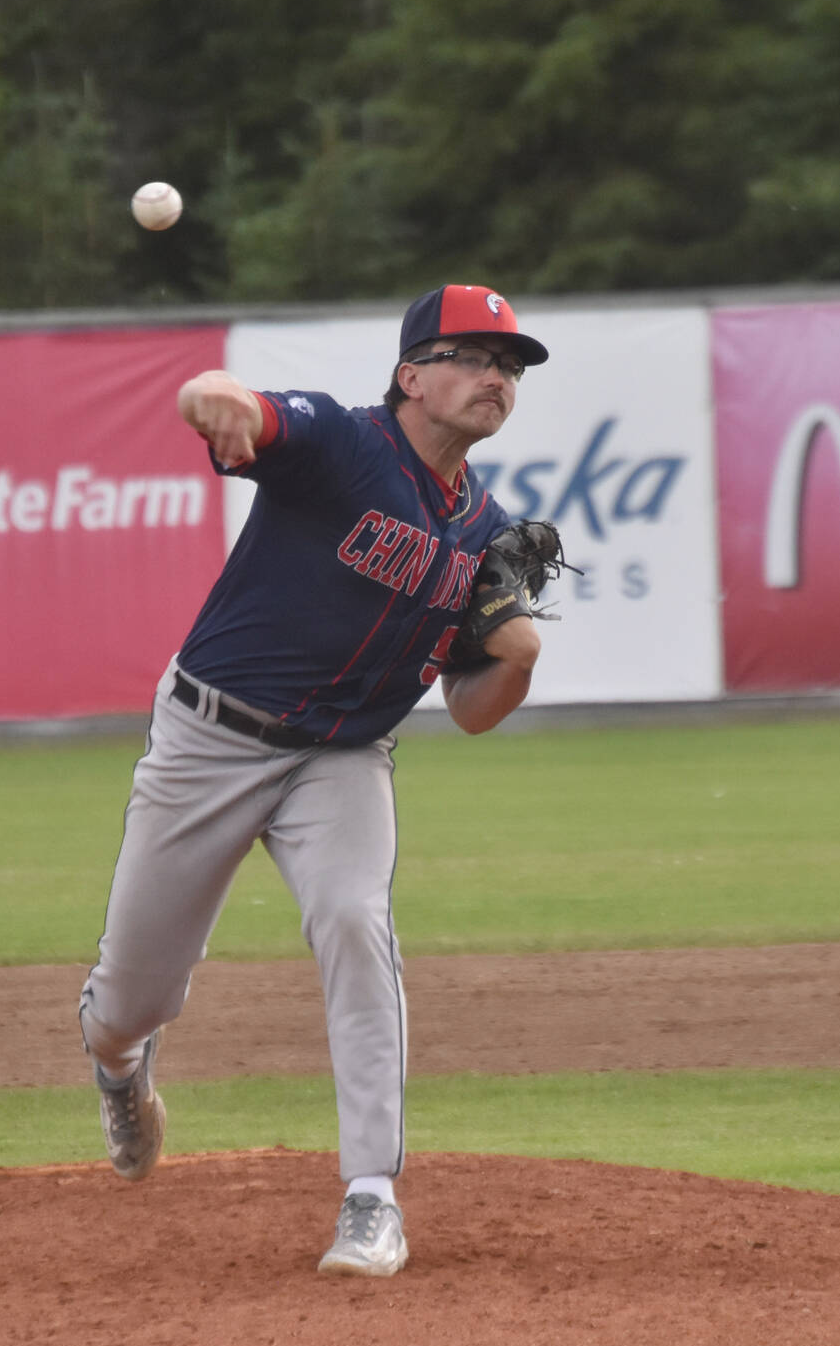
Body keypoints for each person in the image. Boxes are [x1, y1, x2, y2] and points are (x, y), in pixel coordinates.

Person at [76, 284, 552, 1276]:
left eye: (507, 366)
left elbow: (467, 710)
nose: (493, 377)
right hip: (210, 737)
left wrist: (514, 661)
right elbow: (244, 411)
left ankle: (370, 1196)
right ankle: (122, 1066)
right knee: (129, 993)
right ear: (409, 374)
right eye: (469, 355)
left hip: (341, 757)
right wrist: (215, 397)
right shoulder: (344, 441)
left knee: (351, 917)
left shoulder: (485, 531)